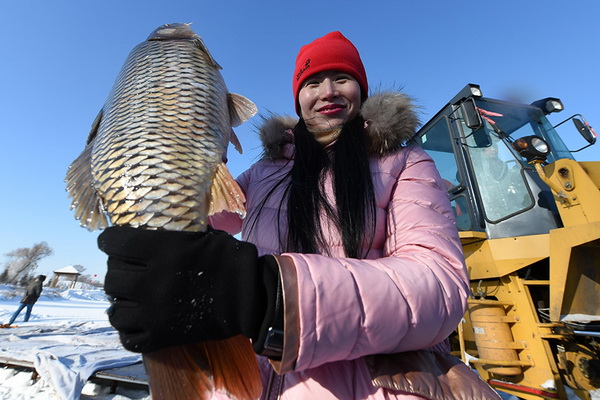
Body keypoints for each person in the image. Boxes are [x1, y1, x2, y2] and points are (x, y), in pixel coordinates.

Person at [99, 32, 499, 399]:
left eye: (341, 77)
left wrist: (271, 297)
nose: (327, 91)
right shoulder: (264, 172)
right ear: (298, 97)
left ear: (361, 87)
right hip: (254, 382)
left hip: (368, 387)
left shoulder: (405, 161)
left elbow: (439, 287)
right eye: (312, 82)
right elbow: (194, 227)